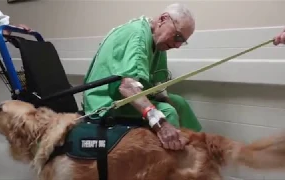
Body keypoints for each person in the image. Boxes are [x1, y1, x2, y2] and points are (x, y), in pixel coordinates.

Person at [82, 3, 202, 151]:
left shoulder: (159, 43)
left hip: (127, 99)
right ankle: (174, 167)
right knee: (167, 112)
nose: (177, 45)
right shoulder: (136, 36)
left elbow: (157, 85)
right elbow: (127, 87)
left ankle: (199, 152)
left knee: (179, 103)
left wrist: (167, 99)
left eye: (182, 41)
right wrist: (161, 123)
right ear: (163, 19)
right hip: (106, 103)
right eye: (177, 36)